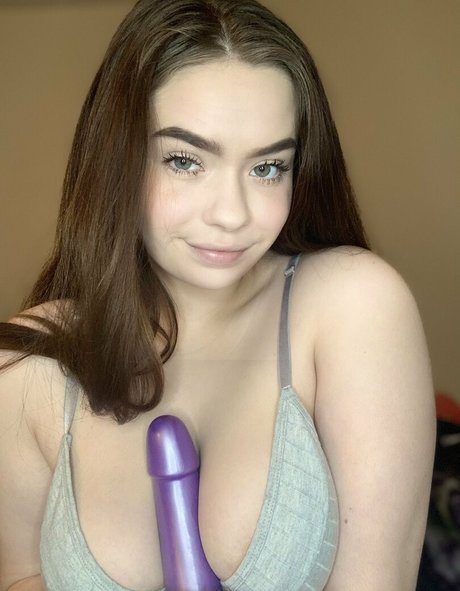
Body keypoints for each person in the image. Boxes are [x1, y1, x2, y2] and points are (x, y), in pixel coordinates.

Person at [0, 0, 436, 590]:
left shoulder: (354, 307)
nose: (232, 214)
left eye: (267, 168)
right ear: (117, 157)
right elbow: (20, 576)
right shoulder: (28, 366)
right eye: (185, 161)